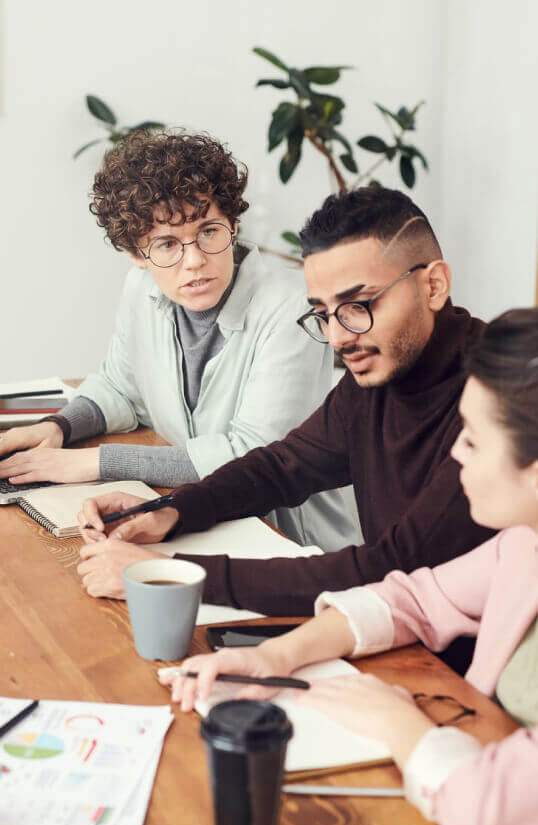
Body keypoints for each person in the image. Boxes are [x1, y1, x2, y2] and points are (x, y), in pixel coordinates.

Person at [159, 308, 538, 825]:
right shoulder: (524, 541)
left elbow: (486, 810)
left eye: (474, 441)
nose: (456, 454)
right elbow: (416, 597)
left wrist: (396, 720)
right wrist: (280, 656)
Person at [76, 188, 491, 641]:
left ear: (433, 285)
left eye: (360, 305)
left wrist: (170, 572)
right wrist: (170, 511)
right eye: (323, 314)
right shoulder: (377, 373)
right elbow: (283, 466)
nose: (338, 337)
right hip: (389, 632)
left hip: (466, 676)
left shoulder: (496, 400)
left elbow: (392, 566)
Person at [0, 130, 354, 552]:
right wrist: (58, 426)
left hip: (287, 540)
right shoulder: (141, 289)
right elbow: (119, 387)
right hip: (197, 517)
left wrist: (90, 463)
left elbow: (252, 455)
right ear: (135, 252)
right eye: (166, 244)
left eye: (209, 231)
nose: (195, 260)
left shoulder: (289, 308)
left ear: (235, 224)